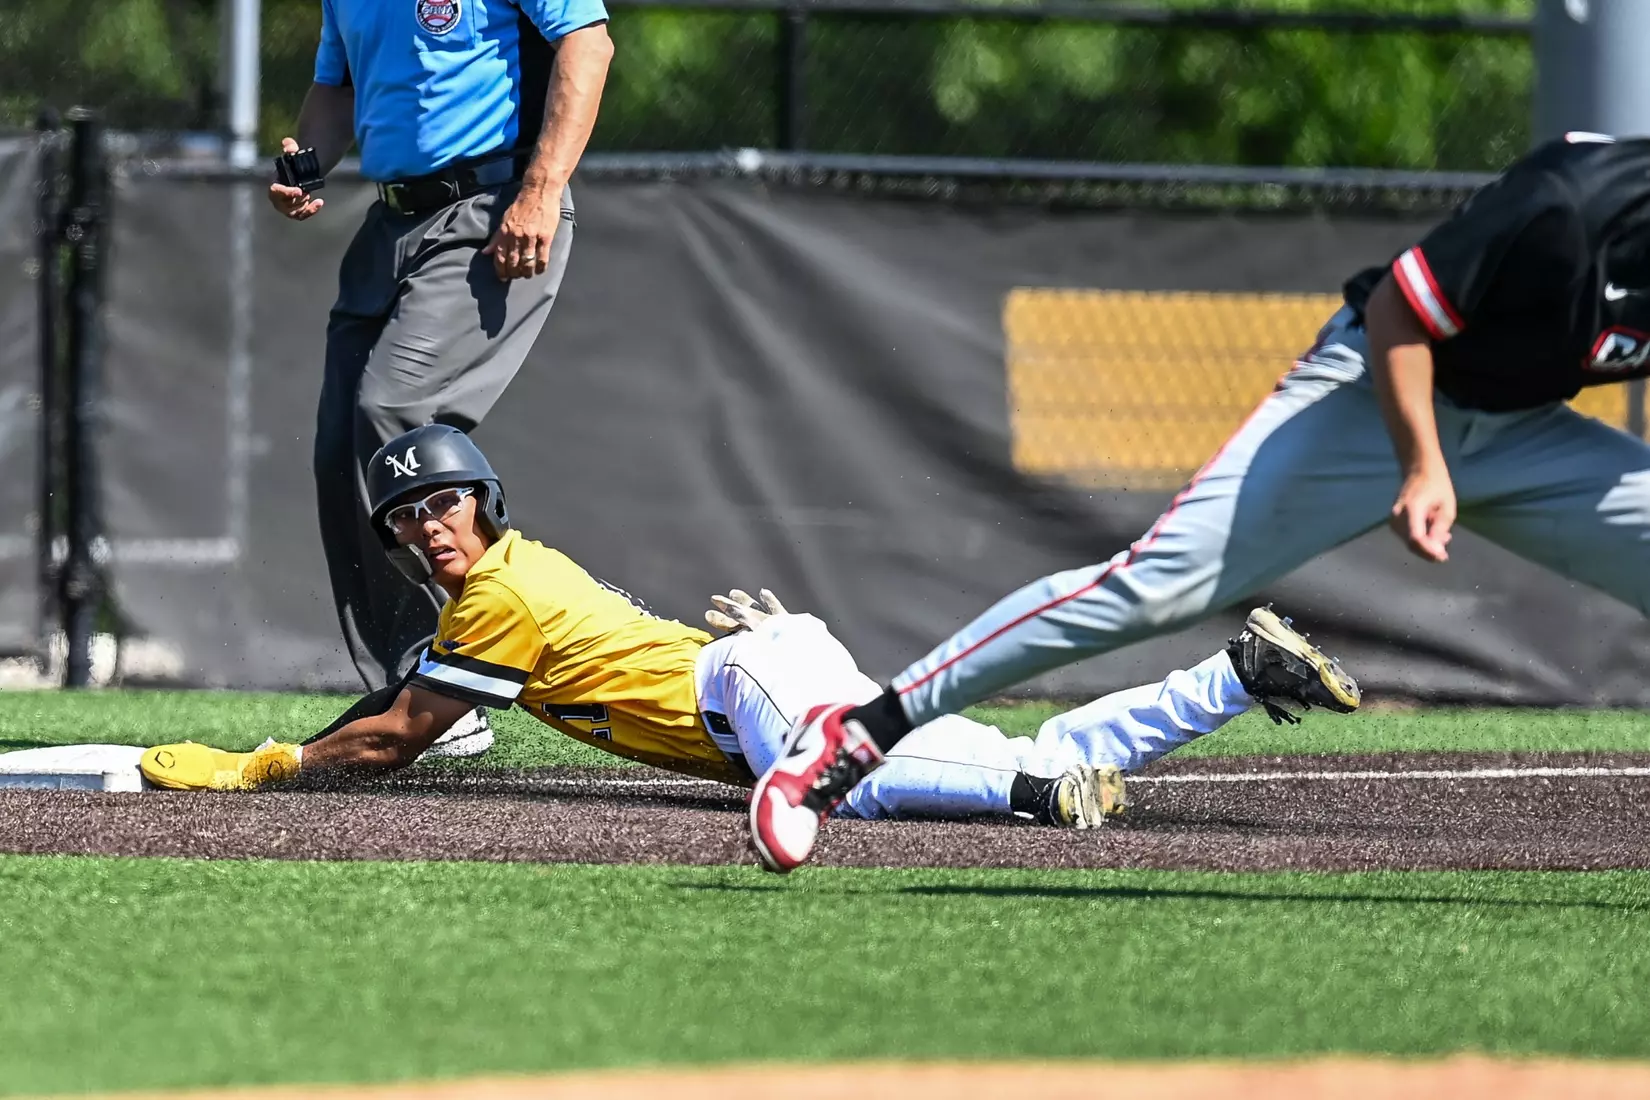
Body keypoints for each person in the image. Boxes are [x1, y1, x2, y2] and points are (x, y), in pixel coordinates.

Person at [750, 130, 1650, 873]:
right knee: (1153, 587)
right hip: (1372, 404)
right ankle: (860, 733)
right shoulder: (1575, 202)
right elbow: (1398, 316)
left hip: (1523, 432)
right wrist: (1422, 463)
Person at [137, 426, 1361, 829]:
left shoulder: (498, 594)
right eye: (407, 515)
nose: (429, 524)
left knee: (868, 781)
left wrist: (269, 766)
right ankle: (1233, 675)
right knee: (962, 757)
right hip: (767, 678)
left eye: (445, 499)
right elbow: (402, 704)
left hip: (752, 691)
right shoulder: (491, 592)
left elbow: (398, 732)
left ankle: (1038, 801)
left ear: (485, 503)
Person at [269, 0, 614, 713]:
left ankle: (454, 676)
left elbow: (589, 44)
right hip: (390, 221)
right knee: (343, 448)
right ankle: (409, 679)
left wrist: (541, 193)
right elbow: (336, 89)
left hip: (493, 209)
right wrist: (308, 163)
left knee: (393, 410)